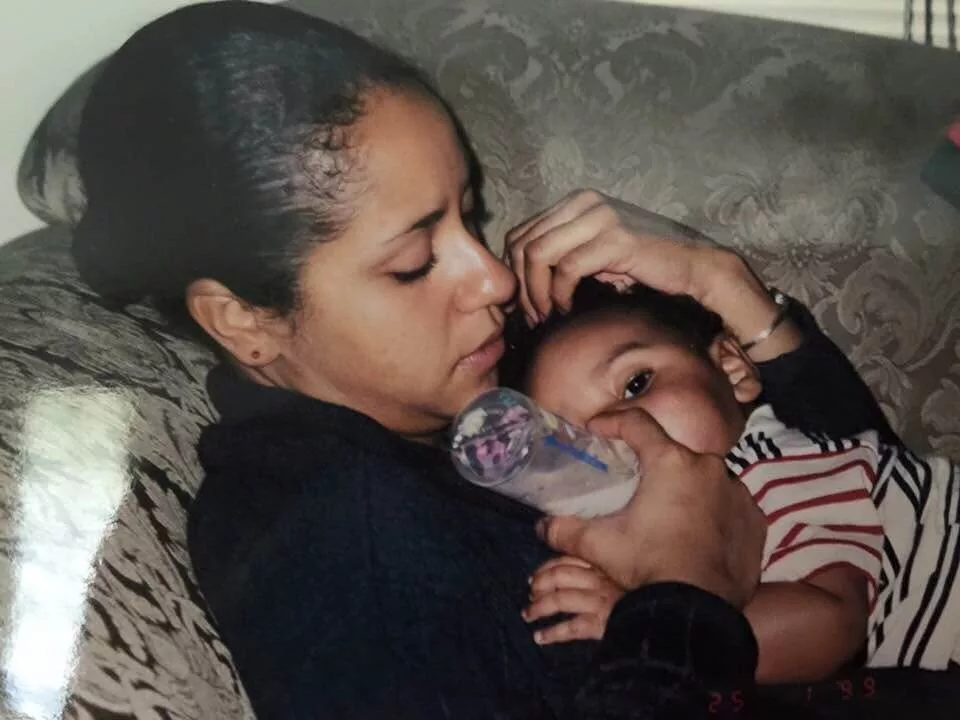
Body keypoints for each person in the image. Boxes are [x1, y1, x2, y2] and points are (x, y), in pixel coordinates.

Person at [69, 1, 942, 716]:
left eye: (469, 216)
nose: (490, 277)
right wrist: (684, 592)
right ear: (245, 319)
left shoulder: (456, 422)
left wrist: (724, 284)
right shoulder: (340, 537)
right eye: (414, 262)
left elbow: (873, 496)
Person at [506, 278, 960, 683]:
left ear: (731, 368)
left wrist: (646, 620)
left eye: (636, 384)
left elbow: (831, 624)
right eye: (576, 440)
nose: (611, 433)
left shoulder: (776, 462)